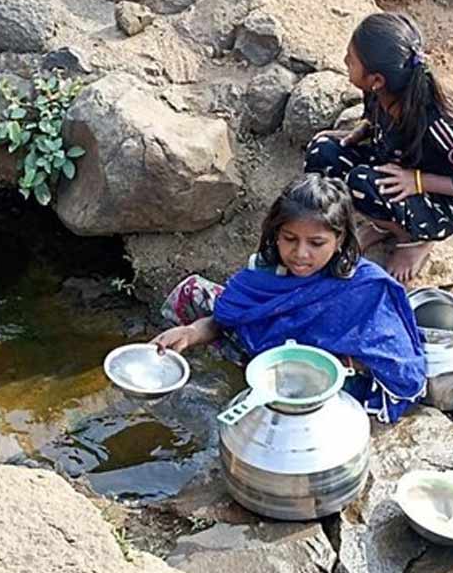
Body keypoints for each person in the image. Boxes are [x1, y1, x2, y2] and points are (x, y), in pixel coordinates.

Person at [151, 174, 427, 423]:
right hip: (265, 357)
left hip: (324, 378)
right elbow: (224, 320)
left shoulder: (364, 287)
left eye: (316, 243)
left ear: (339, 239)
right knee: (193, 293)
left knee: (300, 415)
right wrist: (189, 333)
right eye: (290, 239)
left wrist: (329, 365)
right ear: (276, 235)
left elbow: (396, 360)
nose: (300, 254)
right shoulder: (264, 271)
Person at [304, 12, 453, 283]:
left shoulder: (440, 125)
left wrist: (418, 181)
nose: (345, 62)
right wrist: (364, 129)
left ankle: (413, 239)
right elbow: (373, 115)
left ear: (377, 79)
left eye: (351, 59)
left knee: (360, 184)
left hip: (437, 202)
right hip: (393, 164)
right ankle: (382, 224)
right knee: (322, 150)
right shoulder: (379, 90)